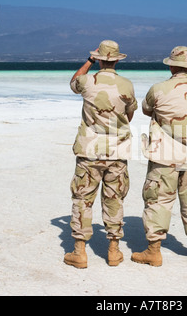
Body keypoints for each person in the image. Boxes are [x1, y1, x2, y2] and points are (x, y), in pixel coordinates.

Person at [131, 46, 187, 267]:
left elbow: (146, 109)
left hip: (164, 156)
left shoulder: (158, 88)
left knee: (158, 200)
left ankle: (153, 251)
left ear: (171, 65)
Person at [65, 40, 138, 269]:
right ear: (117, 59)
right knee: (114, 199)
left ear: (99, 57)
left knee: (83, 199)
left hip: (89, 151)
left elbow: (73, 82)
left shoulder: (87, 81)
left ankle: (79, 252)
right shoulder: (126, 85)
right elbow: (129, 116)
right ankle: (114, 251)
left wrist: (88, 61)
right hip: (117, 152)